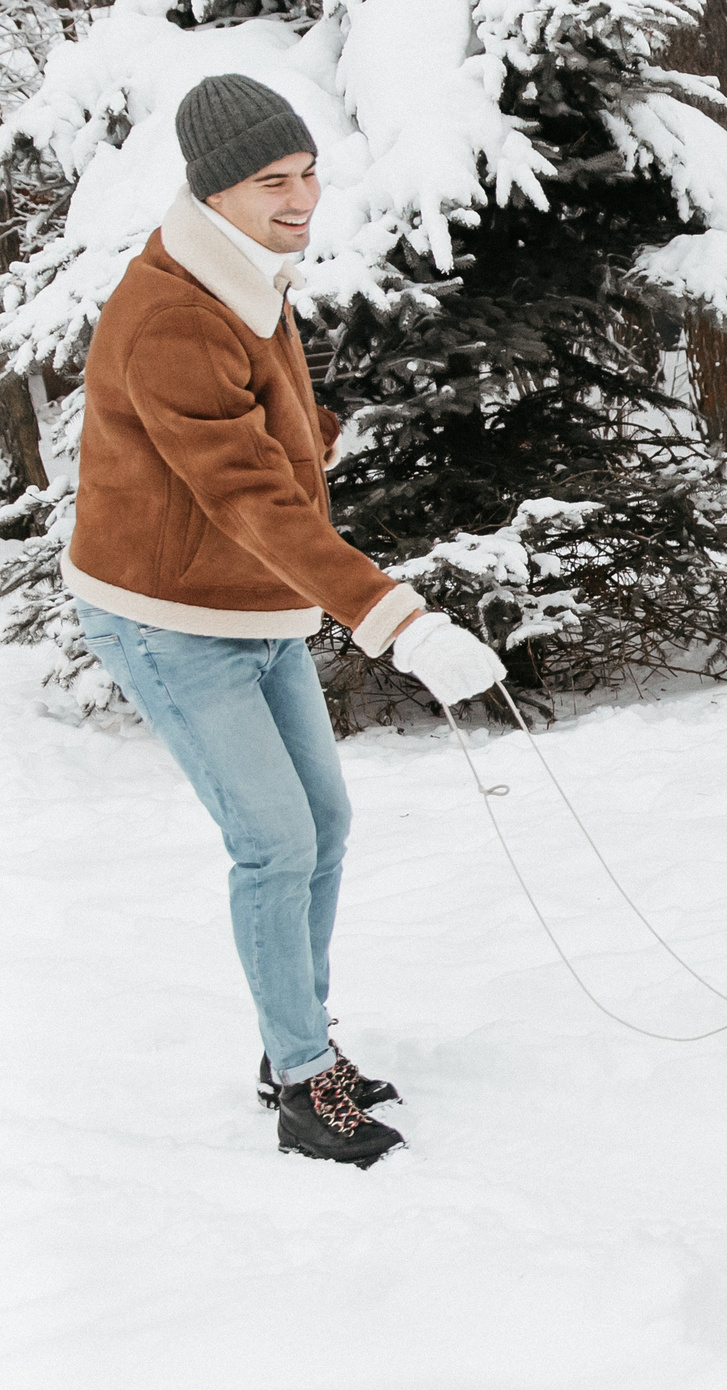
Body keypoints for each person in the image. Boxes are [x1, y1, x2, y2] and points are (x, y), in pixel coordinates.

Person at [66, 75, 506, 1169]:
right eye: (275, 180)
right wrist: (398, 622)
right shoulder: (171, 312)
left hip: (251, 596)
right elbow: (242, 492)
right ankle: (305, 1083)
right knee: (274, 844)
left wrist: (325, 433)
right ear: (216, 190)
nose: (303, 196)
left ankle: (295, 1043)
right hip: (167, 615)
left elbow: (265, 431)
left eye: (309, 173)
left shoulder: (247, 276)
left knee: (326, 823)